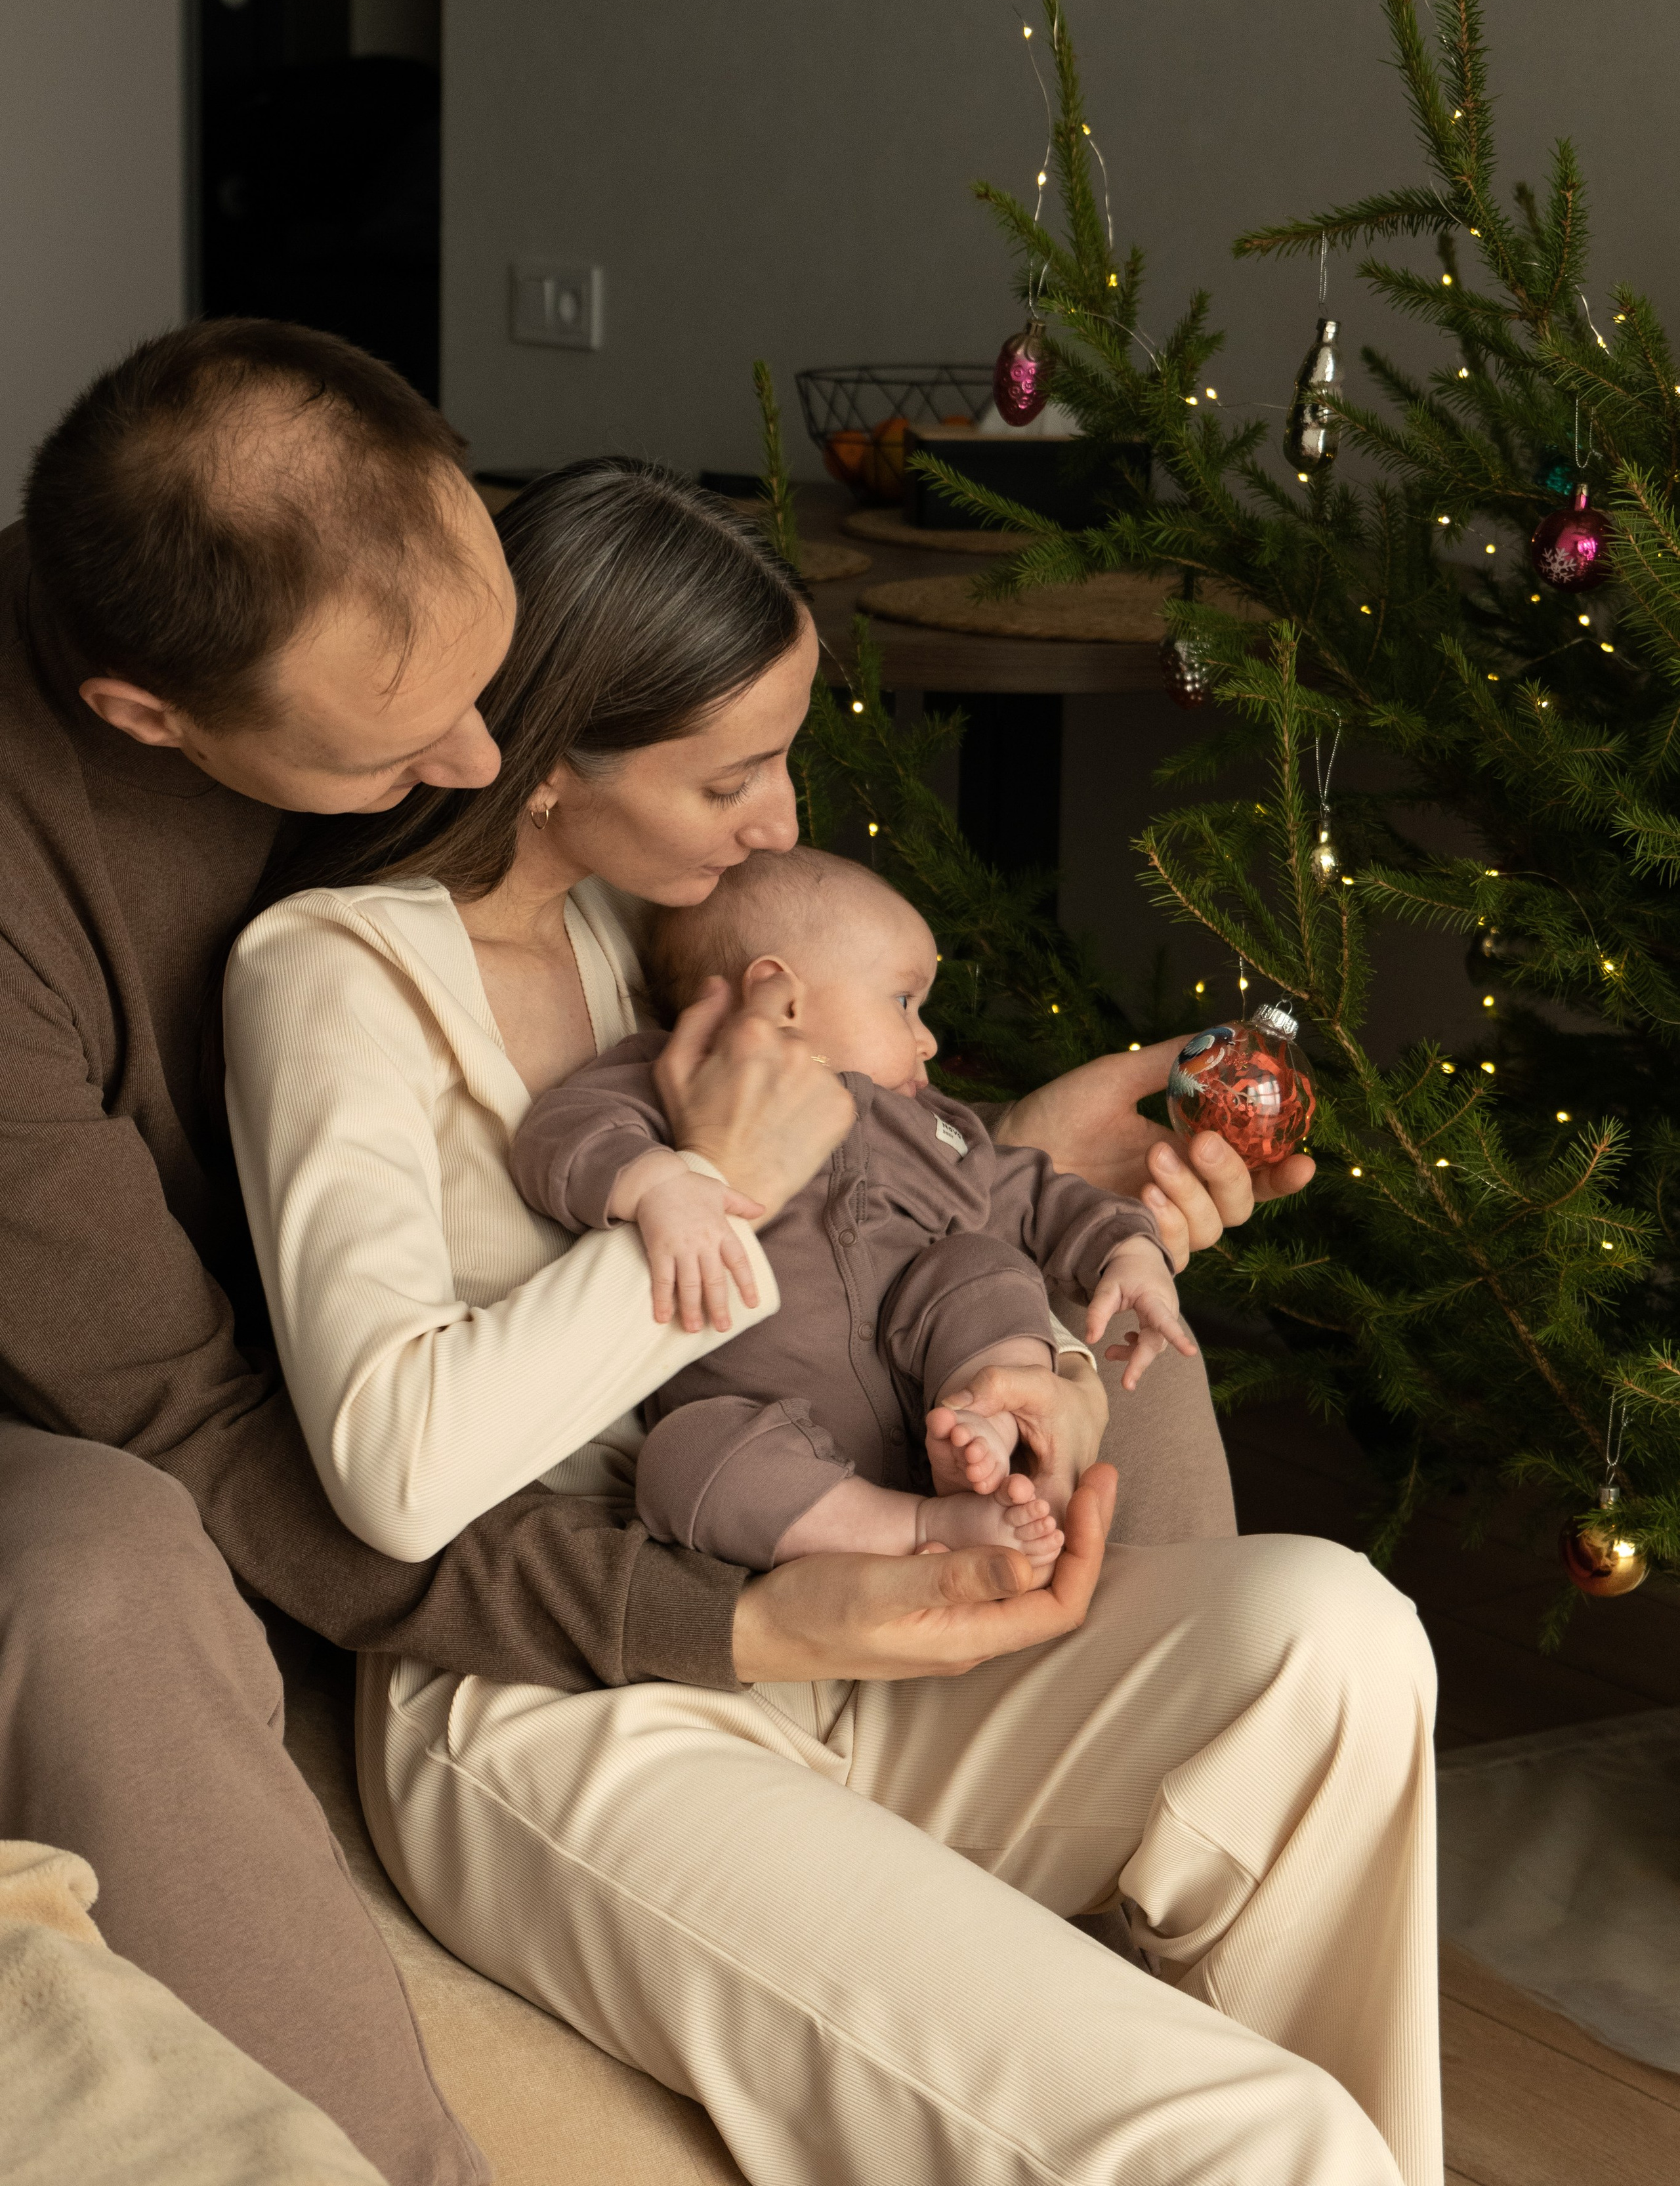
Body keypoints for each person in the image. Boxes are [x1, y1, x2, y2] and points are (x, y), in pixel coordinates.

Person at [0, 323, 1279, 2183]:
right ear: (148, 719)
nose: (483, 747)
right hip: (182, 1435)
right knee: (106, 1567)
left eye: (497, 671)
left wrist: (991, 1184)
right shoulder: (169, 931)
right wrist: (712, 1618)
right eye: (401, 744)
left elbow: (749, 1143)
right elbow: (218, 1446)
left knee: (1102, 1350)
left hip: (576, 1388)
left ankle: (1097, 1983)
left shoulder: (442, 637)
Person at [224, 451, 1442, 2186]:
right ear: (547, 759)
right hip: (567, 1697)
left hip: (844, 1607)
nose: (784, 822)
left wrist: (1032, 1198)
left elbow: (832, 1268)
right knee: (1258, 2138)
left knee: (1339, 1637)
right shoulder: (334, 976)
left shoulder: (659, 942)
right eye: (736, 774)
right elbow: (395, 1472)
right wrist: (703, 1179)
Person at [510, 845, 1198, 1575]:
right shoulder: (685, 1080)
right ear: (783, 996)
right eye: (903, 1002)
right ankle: (919, 1525)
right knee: (681, 1457)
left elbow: (1035, 1192)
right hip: (772, 1431)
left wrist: (1131, 1252)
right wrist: (658, 1185)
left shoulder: (934, 1130)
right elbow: (561, 1131)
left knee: (981, 1264)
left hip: (929, 1389)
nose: (928, 1039)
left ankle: (992, 1420)